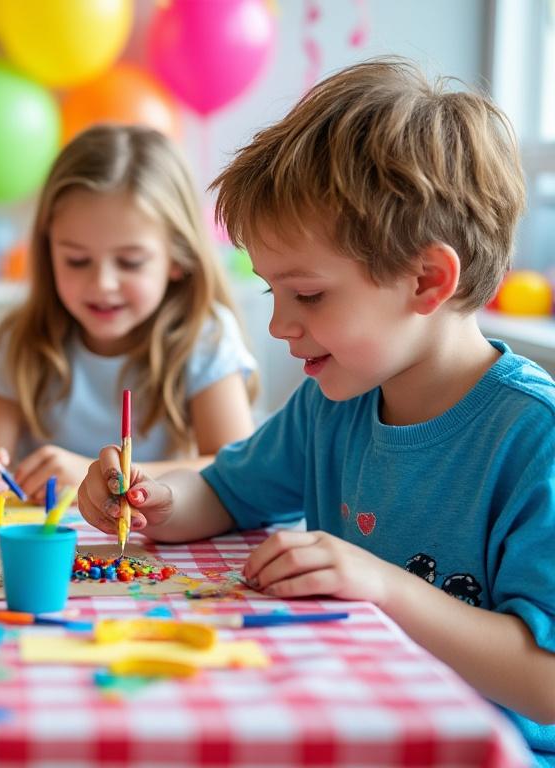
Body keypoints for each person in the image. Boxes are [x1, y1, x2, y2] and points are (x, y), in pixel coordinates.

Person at [77, 59, 555, 763]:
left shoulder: (533, 438)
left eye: (308, 295)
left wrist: (381, 586)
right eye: (271, 292)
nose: (278, 326)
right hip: (346, 725)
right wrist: (153, 497)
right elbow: (224, 493)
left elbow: (545, 684)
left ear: (427, 279)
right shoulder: (333, 404)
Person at [0, 124, 257, 505]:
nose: (102, 284)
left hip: (147, 536)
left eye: (130, 262)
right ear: (48, 252)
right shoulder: (23, 340)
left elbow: (238, 469)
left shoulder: (205, 337)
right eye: (77, 260)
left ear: (177, 257)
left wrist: (96, 475)